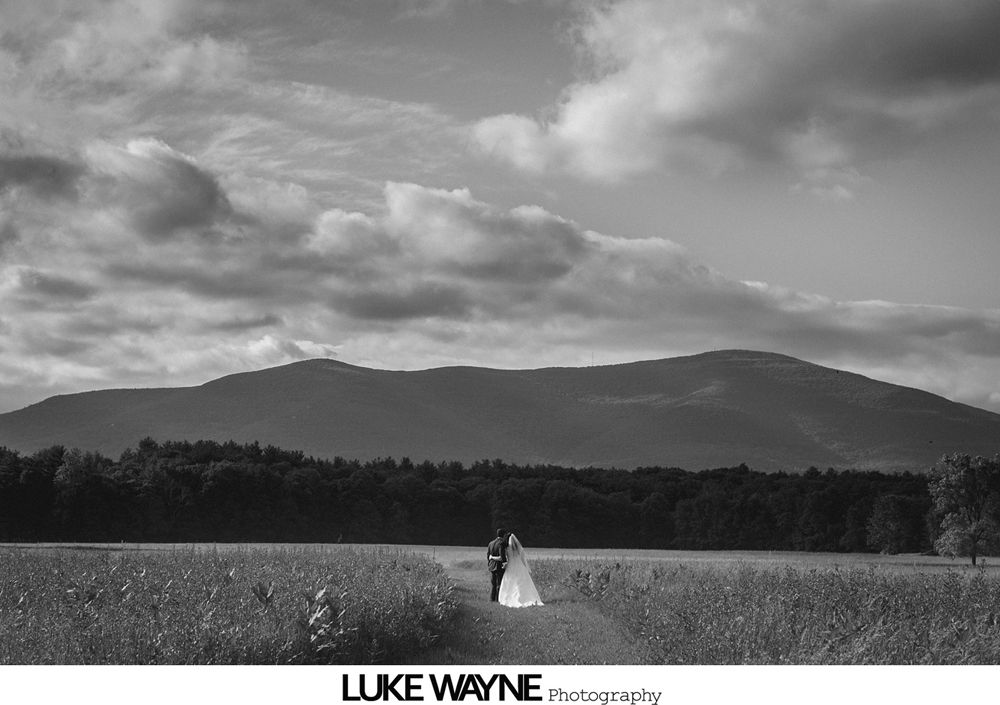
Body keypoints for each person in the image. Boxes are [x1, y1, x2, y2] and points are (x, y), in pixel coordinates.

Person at [498, 532, 543, 607]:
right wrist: (526, 567)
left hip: (511, 565)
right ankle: (525, 597)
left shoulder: (506, 548)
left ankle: (508, 597)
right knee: (522, 582)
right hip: (520, 565)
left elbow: (505, 557)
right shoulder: (518, 548)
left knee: (510, 582)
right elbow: (523, 558)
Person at [487, 528, 508, 602]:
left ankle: (492, 599)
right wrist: (505, 563)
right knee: (499, 584)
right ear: (504, 535)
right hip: (499, 566)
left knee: (493, 584)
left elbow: (488, 556)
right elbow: (502, 557)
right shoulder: (501, 543)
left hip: (492, 566)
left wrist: (489, 564)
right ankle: (498, 599)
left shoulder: (491, 543)